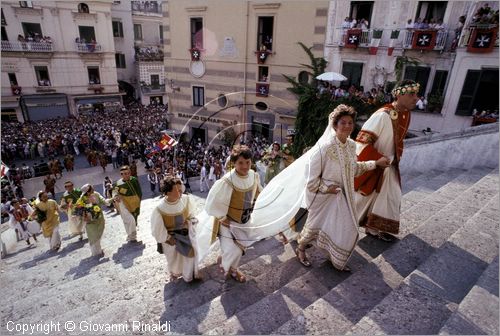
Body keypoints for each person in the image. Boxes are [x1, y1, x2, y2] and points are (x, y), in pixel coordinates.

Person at [294, 105, 390, 271]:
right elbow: (310, 180)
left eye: (350, 122)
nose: (347, 126)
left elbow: (354, 169)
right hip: (323, 198)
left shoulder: (352, 146)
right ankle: (300, 249)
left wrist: (376, 163)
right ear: (335, 125)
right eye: (343, 122)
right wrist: (327, 188)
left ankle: (337, 258)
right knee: (313, 229)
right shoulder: (323, 148)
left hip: (343, 196)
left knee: (348, 229)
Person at [354, 79, 420, 242]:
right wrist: (377, 160)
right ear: (399, 94)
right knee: (360, 203)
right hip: (376, 165)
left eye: (416, 94)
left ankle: (375, 227)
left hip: (390, 166)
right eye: (412, 94)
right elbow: (361, 142)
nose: (416, 98)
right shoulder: (382, 115)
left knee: (391, 196)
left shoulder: (405, 114)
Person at [201, 145, 263, 283]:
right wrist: (223, 217)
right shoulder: (228, 181)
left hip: (245, 220)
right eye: (240, 163)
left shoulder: (254, 175)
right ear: (233, 163)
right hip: (228, 222)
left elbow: (258, 192)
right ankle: (233, 270)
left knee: (241, 248)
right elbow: (214, 201)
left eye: (247, 162)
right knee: (233, 250)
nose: (245, 166)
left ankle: (228, 262)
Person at [151, 176, 201, 282]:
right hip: (171, 239)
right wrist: (168, 238)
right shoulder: (159, 209)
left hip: (185, 236)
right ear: (168, 193)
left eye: (180, 189)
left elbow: (192, 215)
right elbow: (157, 229)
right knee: (175, 261)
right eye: (177, 190)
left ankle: (189, 276)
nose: (181, 192)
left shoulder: (185, 199)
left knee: (190, 256)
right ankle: (175, 273)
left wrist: (190, 222)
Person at [76, 184, 111, 257]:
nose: (93, 189)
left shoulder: (96, 194)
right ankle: (96, 252)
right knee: (92, 235)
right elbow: (79, 210)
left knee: (98, 234)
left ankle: (98, 250)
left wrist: (111, 199)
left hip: (100, 219)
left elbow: (104, 201)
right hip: (89, 221)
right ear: (88, 191)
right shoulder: (82, 199)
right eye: (91, 188)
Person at [112, 166, 142, 243]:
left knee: (134, 218)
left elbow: (139, 191)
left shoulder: (134, 180)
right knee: (129, 219)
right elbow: (114, 192)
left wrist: (138, 200)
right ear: (121, 174)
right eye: (124, 174)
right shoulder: (118, 183)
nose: (126, 175)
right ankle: (132, 235)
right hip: (123, 203)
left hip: (134, 203)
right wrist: (116, 197)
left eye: (127, 173)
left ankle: (131, 235)